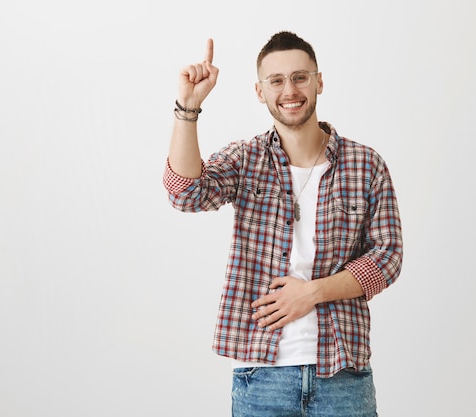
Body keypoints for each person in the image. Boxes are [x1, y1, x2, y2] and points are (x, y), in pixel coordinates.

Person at [163, 31, 403, 417]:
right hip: (261, 375)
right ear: (260, 91)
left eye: (299, 77)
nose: (289, 90)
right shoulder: (246, 158)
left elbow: (388, 257)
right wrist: (187, 109)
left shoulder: (365, 164)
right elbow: (184, 193)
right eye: (276, 80)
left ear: (319, 81)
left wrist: (312, 293)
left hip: (342, 373)